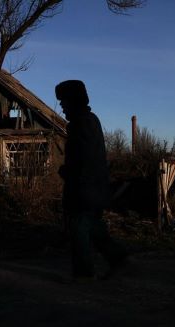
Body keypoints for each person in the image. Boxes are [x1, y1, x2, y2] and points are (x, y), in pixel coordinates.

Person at [56, 80, 127, 279]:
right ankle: (119, 259)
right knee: (92, 228)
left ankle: (84, 274)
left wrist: (68, 172)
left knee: (80, 230)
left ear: (73, 101)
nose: (62, 107)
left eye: (64, 102)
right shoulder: (88, 120)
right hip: (91, 189)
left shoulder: (82, 123)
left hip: (84, 190)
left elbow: (84, 159)